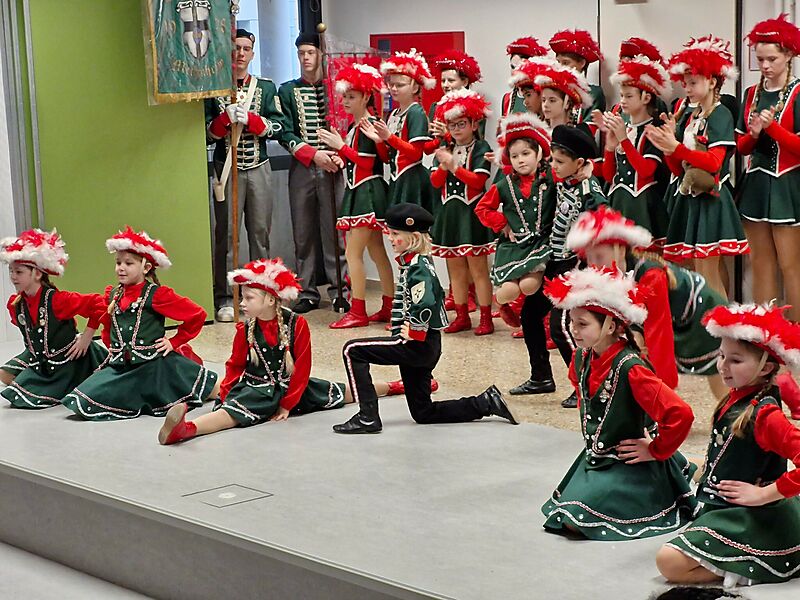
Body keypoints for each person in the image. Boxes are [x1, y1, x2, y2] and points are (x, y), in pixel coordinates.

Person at [541, 265, 697, 540]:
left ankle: (672, 467)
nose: (573, 330)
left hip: (629, 461)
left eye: (582, 324)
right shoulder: (581, 358)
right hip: (597, 458)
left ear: (611, 326)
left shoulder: (631, 368)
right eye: (572, 322)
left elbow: (680, 414)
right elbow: (587, 398)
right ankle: (683, 465)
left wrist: (656, 449)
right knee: (566, 515)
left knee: (576, 521)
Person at [332, 203, 517, 434]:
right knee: (423, 412)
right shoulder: (418, 262)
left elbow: (426, 301)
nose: (390, 238)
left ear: (414, 237)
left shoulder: (417, 267)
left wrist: (414, 330)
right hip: (427, 346)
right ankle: (485, 402)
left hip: (415, 345)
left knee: (352, 350)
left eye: (395, 234)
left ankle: (367, 416)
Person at [656, 302, 800, 587]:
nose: (723, 366)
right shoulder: (737, 398)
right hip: (722, 504)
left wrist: (764, 495)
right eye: (721, 356)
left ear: (766, 367)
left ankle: (747, 567)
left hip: (752, 514)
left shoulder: (765, 415)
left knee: (668, 562)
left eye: (735, 360)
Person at [158, 259, 349, 444]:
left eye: (249, 298)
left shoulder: (297, 324)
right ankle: (185, 429)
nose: (242, 303)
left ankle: (368, 388)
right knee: (227, 416)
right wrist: (224, 396)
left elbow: (303, 368)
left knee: (342, 392)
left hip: (291, 389)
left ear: (270, 300)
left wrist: (287, 405)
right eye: (242, 297)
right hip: (257, 391)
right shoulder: (245, 330)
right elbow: (235, 366)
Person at [566, 206, 729, 400]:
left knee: (719, 374)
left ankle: (734, 412)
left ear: (620, 249)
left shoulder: (651, 275)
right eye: (589, 258)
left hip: (703, 314)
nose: (594, 265)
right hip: (672, 316)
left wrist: (661, 392)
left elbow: (659, 335)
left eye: (599, 257)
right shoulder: (610, 274)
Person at [61, 228, 219, 420]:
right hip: (123, 367)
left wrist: (174, 342)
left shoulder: (157, 295)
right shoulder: (113, 295)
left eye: (128, 263)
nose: (121, 268)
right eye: (118, 262)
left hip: (155, 366)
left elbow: (196, 315)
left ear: (146, 268)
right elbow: (109, 328)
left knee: (213, 390)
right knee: (82, 398)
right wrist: (116, 350)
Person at [646, 36, 749, 299]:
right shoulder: (692, 115)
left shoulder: (721, 113)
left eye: (693, 82)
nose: (687, 88)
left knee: (708, 273)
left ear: (712, 82)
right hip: (691, 198)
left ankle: (721, 324)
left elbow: (714, 163)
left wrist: (677, 147)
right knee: (695, 272)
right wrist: (668, 146)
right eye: (685, 83)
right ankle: (704, 322)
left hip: (712, 200)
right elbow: (679, 170)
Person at [205, 28, 285, 322]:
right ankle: (227, 297)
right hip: (226, 170)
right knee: (226, 236)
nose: (240, 54)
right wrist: (222, 121)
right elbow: (205, 134)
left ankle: (260, 294)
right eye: (235, 48)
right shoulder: (213, 89)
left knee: (260, 233)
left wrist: (252, 120)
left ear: (252, 53)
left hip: (258, 167)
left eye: (245, 49)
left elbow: (278, 126)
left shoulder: (266, 87)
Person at [317, 63, 395, 329]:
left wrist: (340, 147)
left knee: (353, 253)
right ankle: (388, 305)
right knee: (376, 251)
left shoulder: (366, 125)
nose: (345, 101)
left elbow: (367, 162)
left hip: (366, 193)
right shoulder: (358, 126)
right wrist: (342, 157)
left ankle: (358, 310)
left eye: (351, 96)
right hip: (364, 190)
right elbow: (359, 160)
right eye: (344, 96)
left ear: (366, 96)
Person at [278, 32, 349, 314]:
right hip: (303, 167)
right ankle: (307, 292)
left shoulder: (336, 88)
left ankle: (341, 290)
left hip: (334, 167)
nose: (305, 58)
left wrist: (339, 154)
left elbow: (348, 124)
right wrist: (312, 154)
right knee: (303, 233)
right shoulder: (287, 91)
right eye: (301, 53)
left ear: (321, 54)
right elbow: (285, 131)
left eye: (310, 52)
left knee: (336, 233)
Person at [0, 229, 107, 408]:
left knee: (19, 394)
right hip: (39, 356)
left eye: (19, 272)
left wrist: (86, 338)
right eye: (11, 271)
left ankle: (65, 382)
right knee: (4, 375)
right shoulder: (16, 304)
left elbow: (98, 303)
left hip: (66, 359)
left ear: (37, 274)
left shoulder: (58, 301)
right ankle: (42, 379)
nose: (13, 277)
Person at [738, 15, 800, 322]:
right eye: (759, 59)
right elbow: (740, 147)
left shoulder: (799, 92)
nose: (764, 66)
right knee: (760, 262)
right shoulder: (752, 94)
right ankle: (765, 330)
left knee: (791, 266)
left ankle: (796, 331)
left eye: (771, 59)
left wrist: (772, 128)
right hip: (756, 185)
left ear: (788, 55)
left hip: (787, 187)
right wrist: (753, 135)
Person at [474, 113, 553, 328]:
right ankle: (500, 302)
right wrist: (502, 223)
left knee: (529, 285)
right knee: (509, 290)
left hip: (539, 243)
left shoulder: (550, 178)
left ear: (539, 154)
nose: (521, 160)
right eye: (515, 156)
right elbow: (482, 208)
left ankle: (531, 314)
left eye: (526, 153)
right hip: (513, 246)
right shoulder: (504, 185)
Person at [430, 89, 495, 335]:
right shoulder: (445, 147)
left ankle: (486, 318)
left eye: (461, 124)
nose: (456, 129)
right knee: (455, 269)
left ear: (474, 124)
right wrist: (444, 165)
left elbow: (478, 182)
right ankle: (461, 316)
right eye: (452, 125)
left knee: (478, 269)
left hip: (472, 215)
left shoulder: (481, 147)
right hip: (449, 214)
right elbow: (435, 182)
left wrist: (453, 166)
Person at [600, 56, 671, 251]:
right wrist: (609, 148)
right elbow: (609, 176)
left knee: (645, 260)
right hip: (618, 201)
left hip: (643, 206)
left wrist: (624, 140)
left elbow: (646, 170)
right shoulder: (624, 128)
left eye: (628, 96)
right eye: (621, 96)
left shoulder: (655, 130)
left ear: (646, 98)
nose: (622, 101)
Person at [361, 49, 437, 214]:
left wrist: (389, 137)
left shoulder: (416, 112)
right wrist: (379, 141)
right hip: (396, 179)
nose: (394, 89)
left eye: (400, 85)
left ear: (415, 87)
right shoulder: (393, 114)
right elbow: (386, 158)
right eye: (391, 84)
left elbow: (416, 154)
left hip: (412, 180)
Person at [549, 29, 606, 132]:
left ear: (582, 63)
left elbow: (587, 133)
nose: (560, 68)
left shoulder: (592, 93)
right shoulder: (551, 90)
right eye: (558, 62)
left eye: (565, 63)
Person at [501, 37, 550, 120]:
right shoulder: (507, 99)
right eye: (512, 67)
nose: (515, 71)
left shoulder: (543, 95)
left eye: (520, 66)